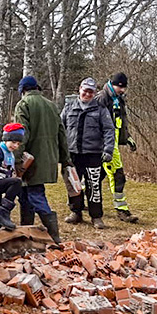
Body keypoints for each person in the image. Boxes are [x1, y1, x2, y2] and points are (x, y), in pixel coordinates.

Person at [13, 76, 71, 243]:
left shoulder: (23, 105)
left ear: (22, 91)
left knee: (36, 195)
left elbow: (21, 135)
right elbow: (62, 134)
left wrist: (16, 160)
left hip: (31, 161)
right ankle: (26, 231)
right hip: (48, 159)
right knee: (25, 195)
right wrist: (65, 159)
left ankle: (54, 236)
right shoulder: (51, 105)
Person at [62, 77, 115, 229]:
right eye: (85, 90)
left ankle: (96, 217)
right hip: (73, 154)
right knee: (73, 185)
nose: (88, 94)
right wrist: (61, 151)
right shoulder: (69, 107)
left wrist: (108, 150)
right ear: (80, 89)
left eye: (91, 92)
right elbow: (60, 129)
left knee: (94, 186)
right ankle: (76, 212)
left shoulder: (101, 109)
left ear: (94, 93)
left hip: (93, 155)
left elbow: (109, 131)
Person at [96, 72, 138, 223]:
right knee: (117, 174)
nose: (123, 90)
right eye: (120, 87)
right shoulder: (102, 98)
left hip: (112, 142)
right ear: (112, 84)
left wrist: (127, 138)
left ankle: (79, 201)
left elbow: (120, 122)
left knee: (98, 174)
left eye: (124, 88)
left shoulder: (118, 99)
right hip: (105, 144)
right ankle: (122, 211)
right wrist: (103, 146)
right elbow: (96, 124)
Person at [0, 123, 26, 230]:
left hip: (0, 182)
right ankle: (4, 211)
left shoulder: (10, 153)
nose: (15, 146)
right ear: (6, 139)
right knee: (16, 182)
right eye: (13, 142)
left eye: (18, 144)